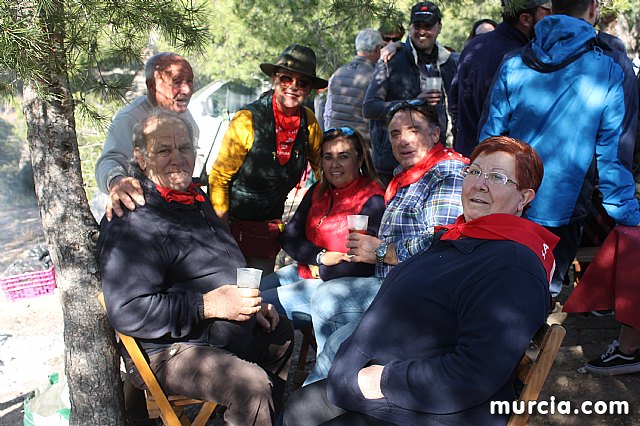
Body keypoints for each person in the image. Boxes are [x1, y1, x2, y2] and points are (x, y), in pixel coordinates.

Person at [282, 136, 558, 425]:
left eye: (497, 177)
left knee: (301, 413)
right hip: (374, 379)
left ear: (524, 198)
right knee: (300, 407)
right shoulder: (465, 237)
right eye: (474, 171)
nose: (480, 184)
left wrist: (384, 380)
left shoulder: (513, 267)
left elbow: (473, 374)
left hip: (431, 409)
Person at [99, 109, 293, 426]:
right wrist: (210, 305)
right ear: (142, 158)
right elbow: (128, 311)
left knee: (280, 333)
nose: (177, 158)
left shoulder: (194, 197)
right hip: (171, 349)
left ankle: (263, 418)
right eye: (164, 150)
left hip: (215, 333)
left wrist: (249, 306)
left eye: (184, 147)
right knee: (251, 386)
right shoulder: (134, 217)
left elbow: (216, 265)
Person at [479, 0, 640, 298]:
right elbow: (614, 154)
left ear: (551, 8)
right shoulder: (610, 67)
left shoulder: (514, 62)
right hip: (567, 206)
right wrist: (627, 213)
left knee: (508, 286)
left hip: (513, 200)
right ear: (593, 8)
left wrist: (482, 197)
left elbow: (490, 140)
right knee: (543, 291)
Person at [303, 100, 468, 383]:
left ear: (435, 134)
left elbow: (440, 248)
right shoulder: (406, 175)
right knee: (324, 298)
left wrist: (381, 251)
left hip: (422, 295)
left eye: (413, 130)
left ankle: (326, 389)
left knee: (336, 334)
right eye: (395, 133)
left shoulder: (447, 173)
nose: (403, 140)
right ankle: (342, 380)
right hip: (393, 282)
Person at [208, 44, 326, 274]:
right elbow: (219, 178)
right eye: (286, 78)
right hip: (232, 227)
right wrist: (222, 234)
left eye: (302, 82)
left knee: (261, 288)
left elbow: (323, 171)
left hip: (266, 233)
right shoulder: (247, 120)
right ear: (274, 79)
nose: (293, 87)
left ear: (310, 89)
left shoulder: (308, 122)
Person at [259, 127, 385, 328]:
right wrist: (320, 257)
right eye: (328, 157)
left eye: (343, 156)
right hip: (305, 270)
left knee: (255, 309)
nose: (335, 164)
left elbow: (364, 264)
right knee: (249, 295)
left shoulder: (373, 199)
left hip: (337, 285)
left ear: (360, 159)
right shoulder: (318, 190)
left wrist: (321, 269)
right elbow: (290, 237)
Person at [94, 52, 198, 219]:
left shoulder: (184, 115)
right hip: (130, 214)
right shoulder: (130, 118)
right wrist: (116, 181)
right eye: (177, 82)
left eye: (190, 81)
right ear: (151, 85)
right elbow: (109, 161)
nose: (186, 90)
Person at [363, 1, 458, 185]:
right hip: (392, 164)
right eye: (417, 26)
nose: (422, 31)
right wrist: (411, 103)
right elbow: (369, 107)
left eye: (428, 26)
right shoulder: (390, 59)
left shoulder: (449, 61)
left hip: (435, 159)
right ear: (410, 27)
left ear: (439, 27)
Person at [449, 0, 551, 157]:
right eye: (547, 11)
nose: (553, 17)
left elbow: (454, 102)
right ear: (525, 19)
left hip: (471, 155)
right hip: (499, 159)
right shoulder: (520, 58)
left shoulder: (474, 45)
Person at [323, 29, 384, 143]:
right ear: (377, 49)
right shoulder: (375, 77)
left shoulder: (338, 73)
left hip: (335, 140)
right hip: (361, 144)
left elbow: (328, 112)